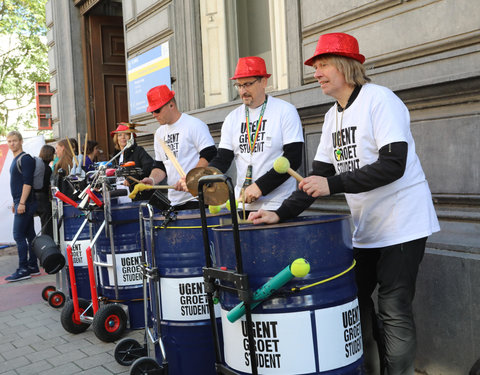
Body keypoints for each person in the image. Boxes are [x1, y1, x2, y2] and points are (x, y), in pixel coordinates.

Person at [249, 33, 440, 375]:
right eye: (316, 67)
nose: (316, 73)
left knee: (393, 306)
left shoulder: (380, 100)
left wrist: (332, 184)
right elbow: (316, 177)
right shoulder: (331, 117)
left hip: (404, 223)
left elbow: (393, 164)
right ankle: (366, 368)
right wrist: (279, 213)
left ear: (347, 67)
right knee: (354, 298)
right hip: (368, 228)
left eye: (323, 65)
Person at [208, 56, 304, 212]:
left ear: (264, 82)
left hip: (278, 204)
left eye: (247, 84)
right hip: (242, 204)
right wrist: (203, 176)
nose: (243, 91)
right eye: (238, 85)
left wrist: (261, 186)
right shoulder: (232, 118)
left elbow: (293, 158)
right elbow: (223, 159)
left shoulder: (285, 111)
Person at [141, 85, 217, 209]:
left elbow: (210, 154)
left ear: (171, 105)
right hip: (174, 201)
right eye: (152, 111)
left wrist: (190, 179)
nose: (154, 115)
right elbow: (160, 166)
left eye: (157, 110)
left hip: (197, 199)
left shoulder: (194, 125)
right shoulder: (159, 134)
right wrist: (152, 180)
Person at [5, 131, 39, 282]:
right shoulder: (16, 159)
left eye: (14, 141)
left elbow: (27, 183)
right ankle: (33, 266)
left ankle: (23, 269)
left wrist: (22, 202)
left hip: (26, 202)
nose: (12, 143)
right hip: (21, 200)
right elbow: (17, 184)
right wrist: (15, 201)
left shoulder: (25, 159)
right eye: (9, 141)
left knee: (18, 235)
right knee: (29, 235)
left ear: (20, 141)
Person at [110, 123, 154, 201]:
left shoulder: (138, 151)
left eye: (126, 134)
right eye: (120, 135)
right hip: (120, 196)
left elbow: (149, 167)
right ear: (116, 138)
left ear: (131, 137)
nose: (123, 137)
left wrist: (132, 179)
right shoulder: (116, 156)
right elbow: (113, 175)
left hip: (137, 196)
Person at [35, 144, 55, 239]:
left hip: (33, 196)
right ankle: (47, 242)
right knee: (46, 224)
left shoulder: (36, 165)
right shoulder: (47, 168)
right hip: (42, 198)